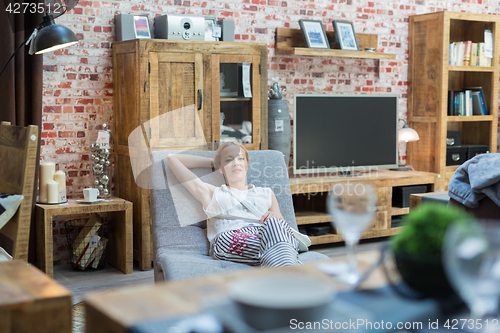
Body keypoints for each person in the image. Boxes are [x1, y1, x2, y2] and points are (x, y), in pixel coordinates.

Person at [167, 142, 299, 267]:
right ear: (220, 168)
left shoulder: (266, 193)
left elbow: (283, 226)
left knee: (274, 225)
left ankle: (283, 269)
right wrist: (215, 162)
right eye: (229, 160)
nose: (236, 163)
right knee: (277, 246)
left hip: (266, 235)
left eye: (240, 159)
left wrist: (274, 217)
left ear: (247, 165)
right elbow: (173, 159)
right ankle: (290, 269)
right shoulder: (213, 193)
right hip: (229, 238)